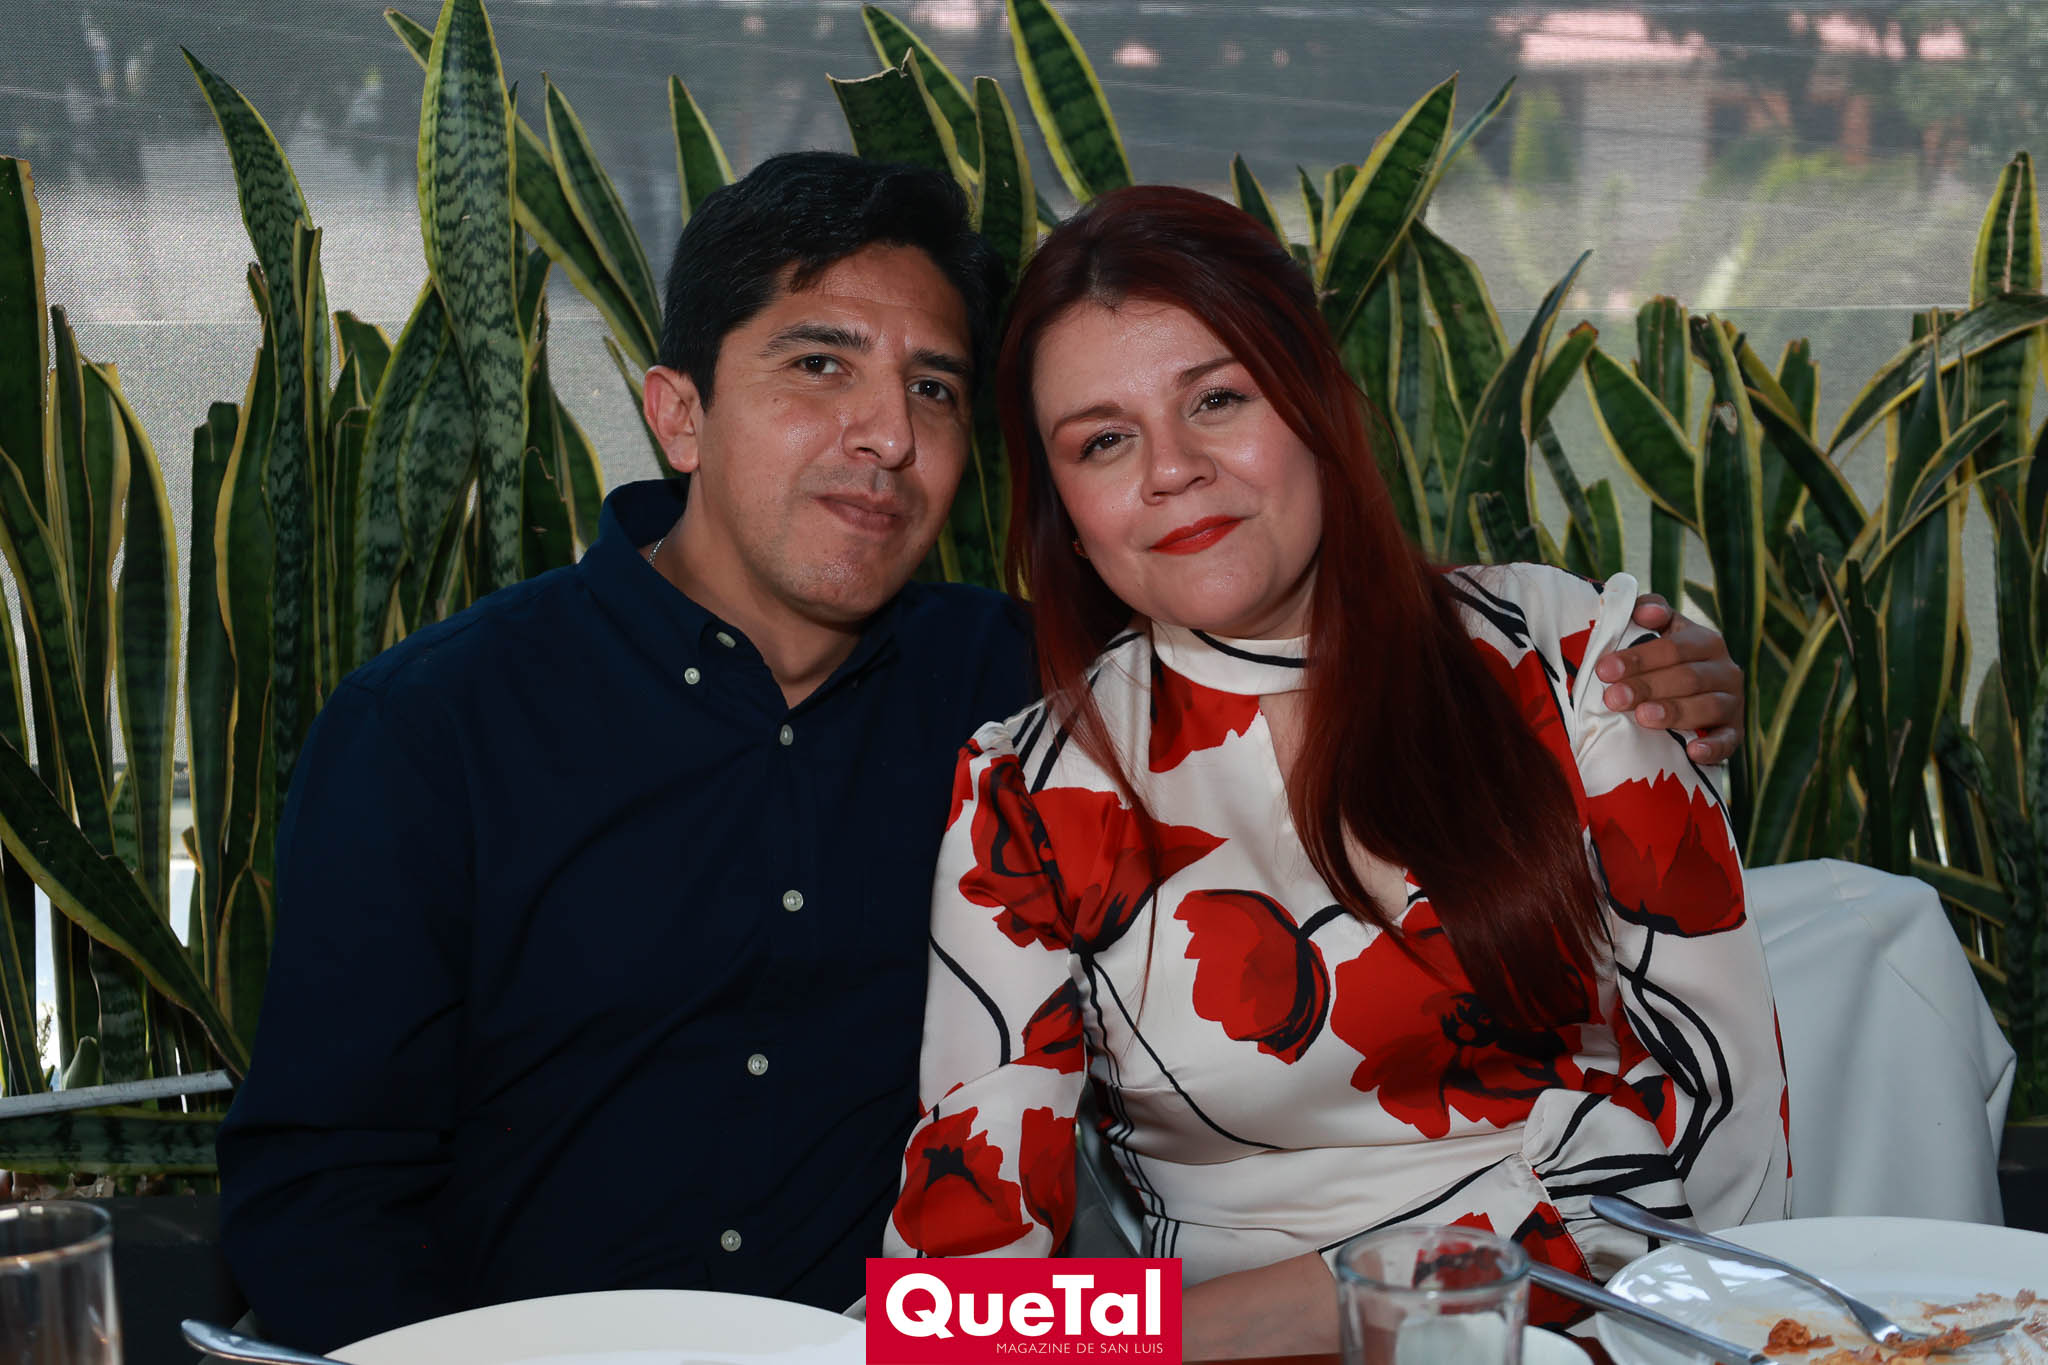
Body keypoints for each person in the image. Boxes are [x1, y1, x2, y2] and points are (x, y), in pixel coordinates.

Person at [216, 153, 1747, 1352]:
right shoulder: (436, 729)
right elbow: (320, 1197)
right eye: (819, 365)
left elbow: (1285, 625)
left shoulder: (1032, 693)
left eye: (934, 390)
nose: (886, 434)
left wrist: (1637, 679)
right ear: (678, 414)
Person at [882, 185, 1790, 1361]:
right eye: (1102, 440)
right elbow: (958, 1300)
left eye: (1216, 399)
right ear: (1064, 506)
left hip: (1599, 1335)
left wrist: (1199, 1328)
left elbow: (1714, 1141)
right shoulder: (1026, 795)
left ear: (1313, 397)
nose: (1171, 469)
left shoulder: (1572, 659)